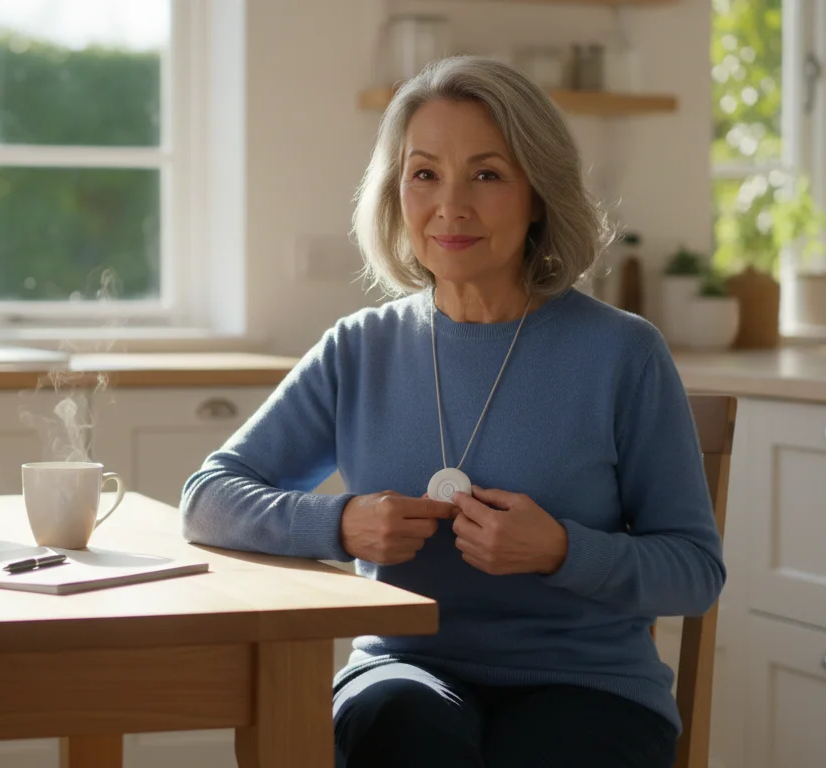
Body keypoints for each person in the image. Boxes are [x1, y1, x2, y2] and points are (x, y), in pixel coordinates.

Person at [180, 55, 725, 768]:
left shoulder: (624, 354)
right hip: (404, 670)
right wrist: (341, 523)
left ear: (539, 193)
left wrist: (560, 548)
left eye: (488, 174)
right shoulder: (359, 348)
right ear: (396, 193)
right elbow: (207, 499)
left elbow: (692, 570)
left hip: (590, 687)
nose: (451, 207)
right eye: (425, 173)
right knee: (398, 728)